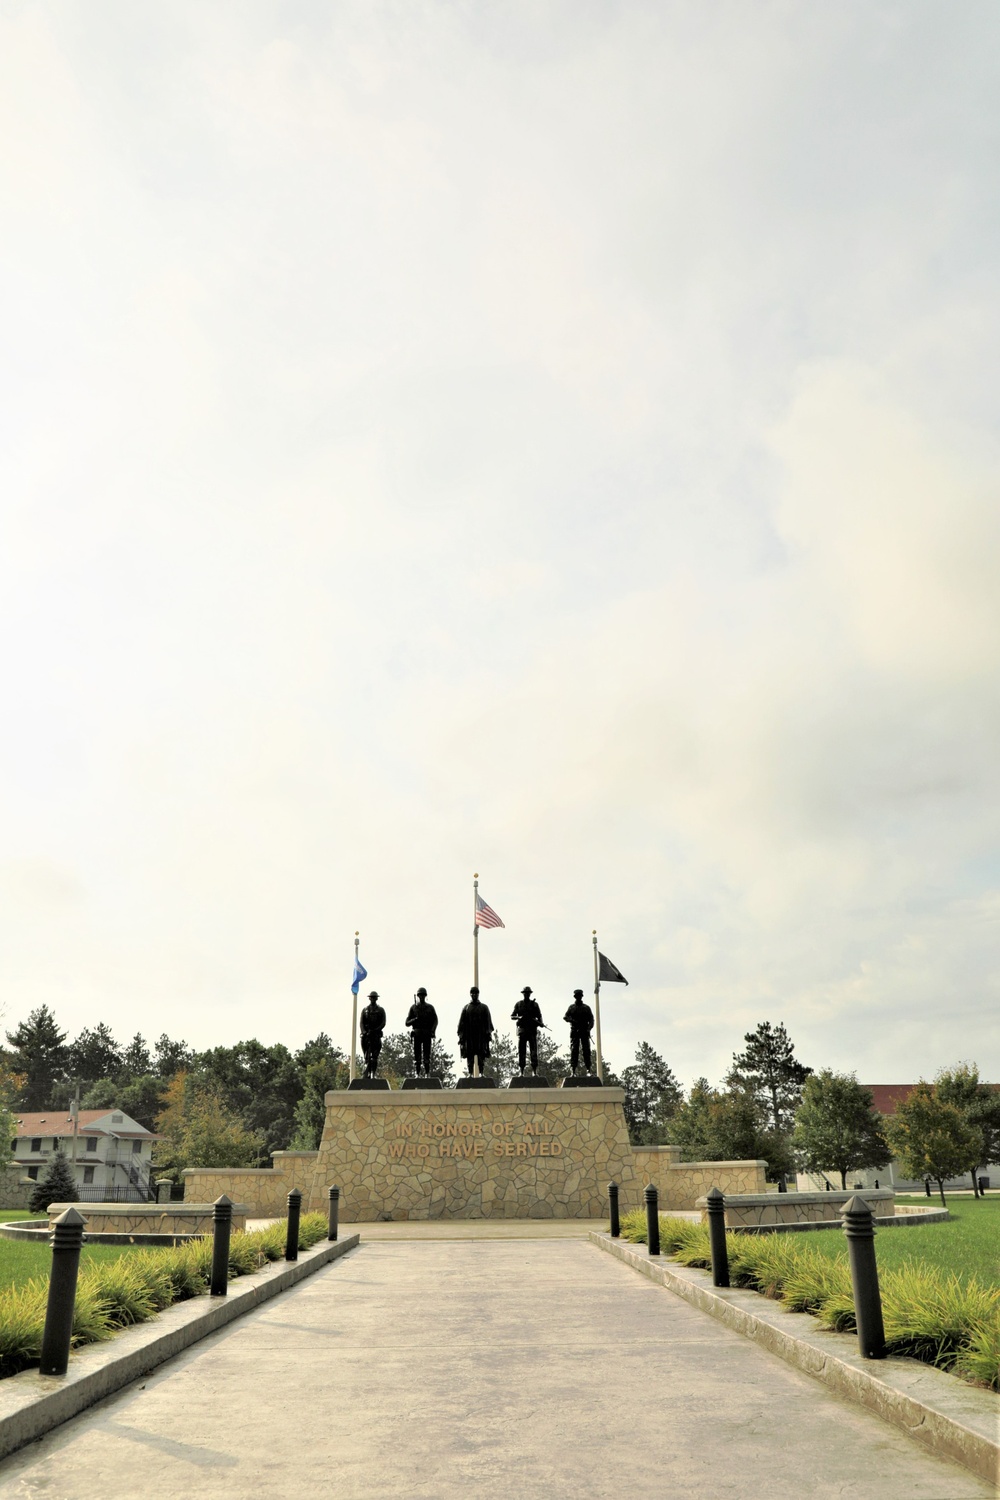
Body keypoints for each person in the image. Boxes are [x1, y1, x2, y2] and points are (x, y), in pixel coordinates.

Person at [457, 986, 494, 1076]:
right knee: (470, 1055)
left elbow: (488, 1022)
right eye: (472, 993)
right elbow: (461, 1023)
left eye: (476, 993)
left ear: (478, 994)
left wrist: (488, 1033)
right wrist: (461, 1035)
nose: (474, 995)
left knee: (481, 1054)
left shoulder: (484, 1007)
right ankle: (470, 1073)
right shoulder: (466, 1008)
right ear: (470, 994)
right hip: (469, 1036)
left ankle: (481, 1072)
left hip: (480, 1035)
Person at [510, 986, 545, 1075]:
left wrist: (541, 1023)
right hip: (522, 1031)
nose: (526, 994)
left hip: (532, 1030)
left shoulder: (534, 1005)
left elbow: (539, 1015)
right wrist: (519, 1017)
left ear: (530, 994)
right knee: (522, 1051)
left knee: (533, 1052)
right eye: (525, 993)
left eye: (528, 993)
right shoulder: (519, 1004)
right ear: (523, 994)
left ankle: (534, 1071)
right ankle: (521, 1071)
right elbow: (512, 1016)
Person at [405, 987, 438, 1076]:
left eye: (423, 995)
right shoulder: (413, 1008)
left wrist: (432, 1031)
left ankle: (427, 1073)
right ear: (418, 996)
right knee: (417, 1055)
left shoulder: (430, 1007)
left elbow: (435, 1020)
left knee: (427, 1055)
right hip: (417, 1033)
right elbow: (407, 1022)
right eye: (420, 995)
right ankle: (417, 1073)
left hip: (427, 1032)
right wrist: (414, 1020)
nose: (422, 997)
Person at [563, 989, 595, 1075]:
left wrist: (589, 1028)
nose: (578, 997)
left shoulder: (586, 1008)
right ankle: (573, 1070)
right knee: (574, 1050)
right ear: (575, 997)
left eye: (580, 996)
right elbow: (565, 1017)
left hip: (584, 1031)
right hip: (575, 1031)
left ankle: (588, 1069)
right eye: (577, 996)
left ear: (581, 996)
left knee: (586, 1051)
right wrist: (571, 1020)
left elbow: (591, 1020)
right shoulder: (571, 1008)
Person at [360, 991, 387, 1079]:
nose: (373, 999)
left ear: (376, 998)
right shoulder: (365, 1010)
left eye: (374, 997)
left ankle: (372, 1074)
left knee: (374, 1057)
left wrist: (376, 1030)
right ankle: (366, 1073)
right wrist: (364, 1032)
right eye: (371, 997)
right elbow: (361, 1023)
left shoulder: (380, 1010)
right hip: (367, 1036)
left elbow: (383, 1022)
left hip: (375, 1035)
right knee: (366, 1057)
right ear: (369, 998)